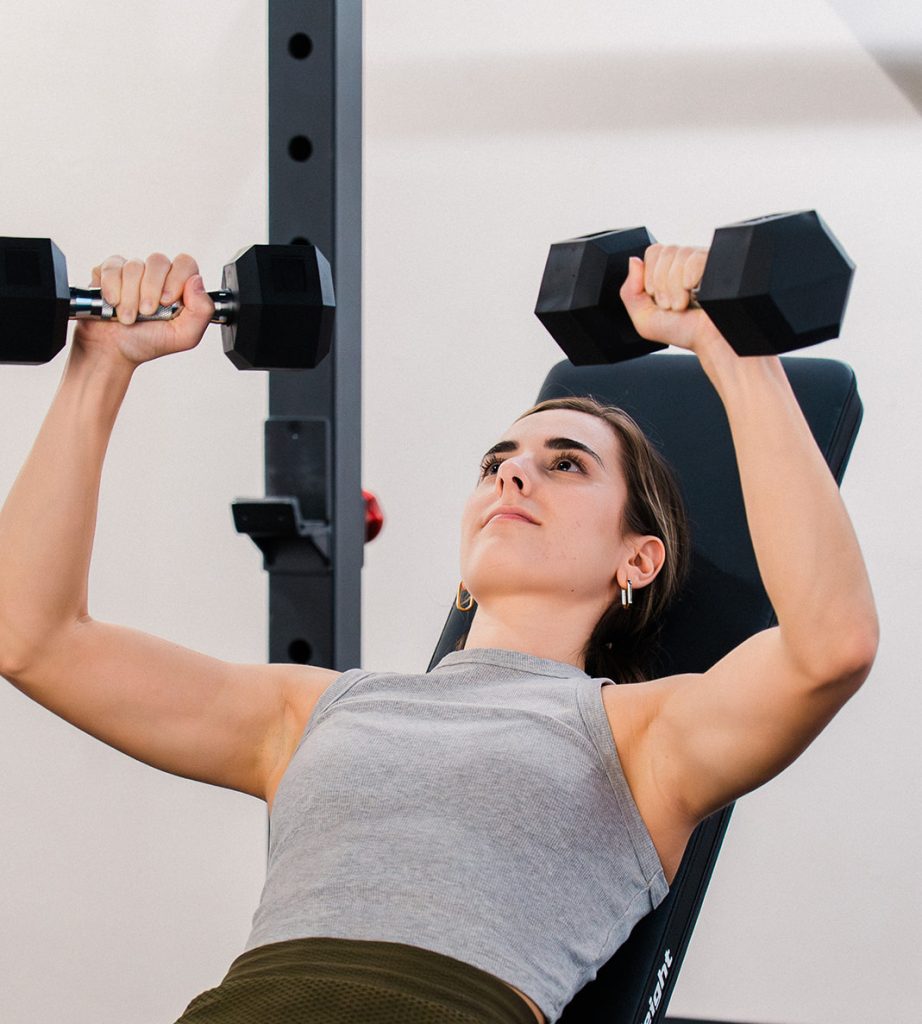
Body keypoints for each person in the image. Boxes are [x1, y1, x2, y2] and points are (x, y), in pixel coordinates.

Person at [0, 245, 878, 1024]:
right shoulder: (315, 711)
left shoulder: (644, 739)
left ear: (638, 560)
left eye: (565, 463)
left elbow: (828, 645)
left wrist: (735, 356)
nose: (515, 474)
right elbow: (31, 637)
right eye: (496, 464)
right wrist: (101, 361)